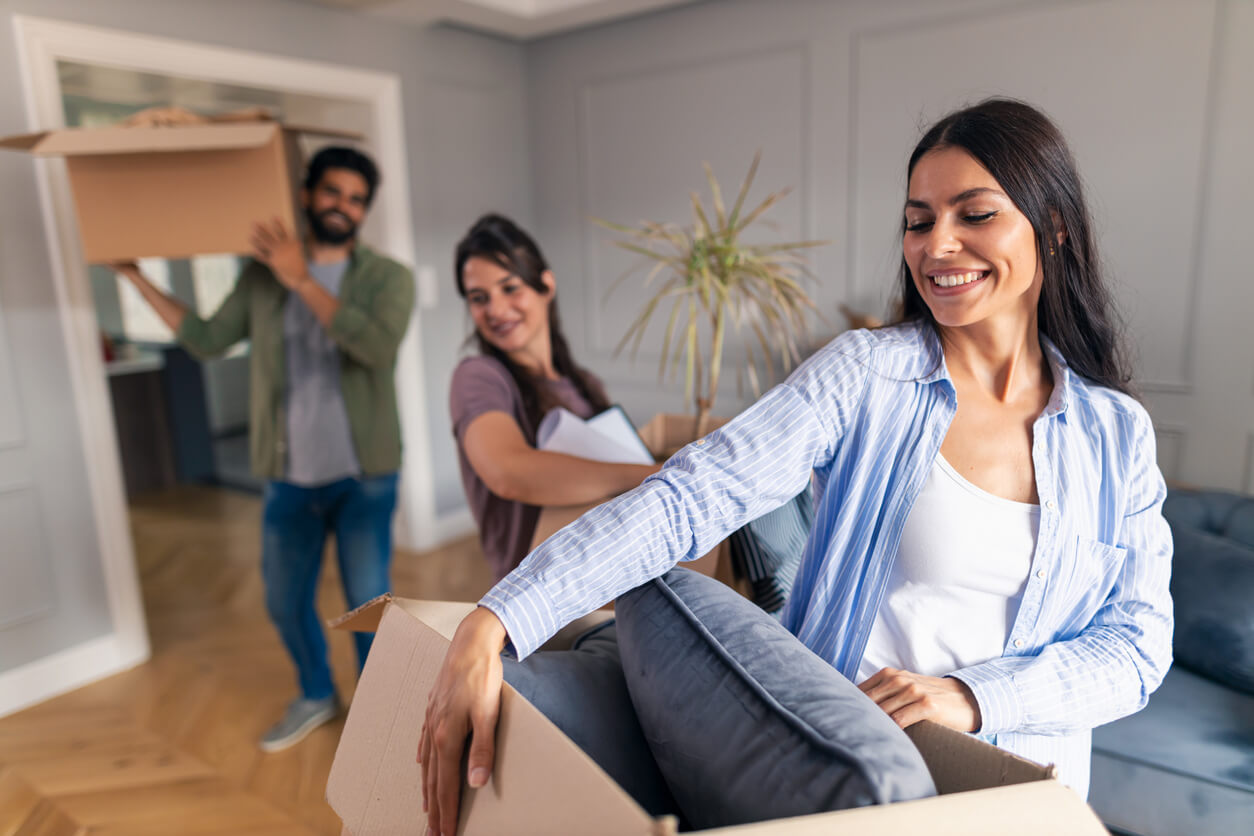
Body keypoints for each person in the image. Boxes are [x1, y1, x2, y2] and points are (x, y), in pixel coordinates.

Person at [418, 98, 1173, 836]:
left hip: (1032, 796)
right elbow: (693, 495)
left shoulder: (1117, 435)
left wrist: (974, 697)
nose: (937, 246)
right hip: (860, 778)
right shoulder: (867, 376)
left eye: (974, 214)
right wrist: (499, 619)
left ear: (1054, 228)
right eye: (917, 220)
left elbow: (1138, 645)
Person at [112, 144, 415, 752]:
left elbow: (375, 349)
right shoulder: (259, 276)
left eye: (356, 199)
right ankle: (315, 693)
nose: (343, 207)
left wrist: (301, 279)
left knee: (368, 604)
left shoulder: (388, 278)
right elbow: (203, 339)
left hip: (365, 477)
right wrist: (134, 274)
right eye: (332, 192)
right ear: (307, 195)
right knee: (282, 599)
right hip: (287, 476)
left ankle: (382, 716)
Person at [448, 214, 660, 581]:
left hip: (606, 580)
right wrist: (652, 476)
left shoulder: (585, 384)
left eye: (510, 288)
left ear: (545, 285)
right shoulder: (479, 377)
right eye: (479, 298)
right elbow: (507, 473)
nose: (496, 310)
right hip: (537, 602)